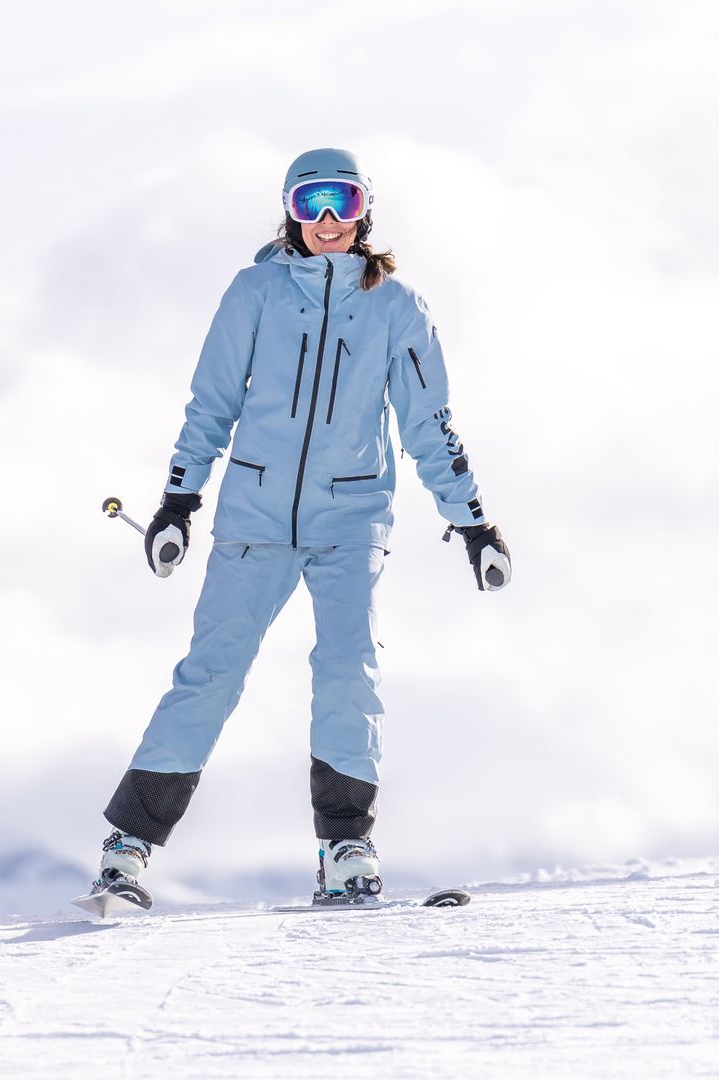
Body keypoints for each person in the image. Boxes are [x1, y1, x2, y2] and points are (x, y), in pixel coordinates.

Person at [86, 149, 512, 911]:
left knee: (347, 671)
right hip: (253, 520)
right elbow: (209, 405)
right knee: (210, 675)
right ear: (288, 209)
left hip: (350, 521)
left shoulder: (396, 307)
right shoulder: (254, 294)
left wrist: (472, 521)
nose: (325, 221)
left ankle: (346, 846)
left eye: (341, 202)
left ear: (363, 213)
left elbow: (429, 425)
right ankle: (128, 851)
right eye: (310, 202)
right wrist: (179, 503)